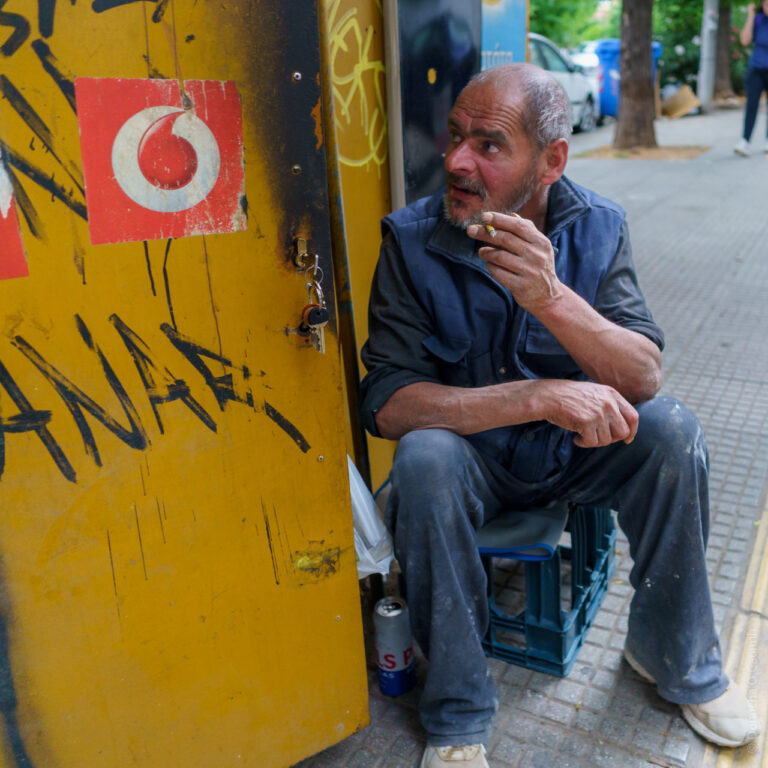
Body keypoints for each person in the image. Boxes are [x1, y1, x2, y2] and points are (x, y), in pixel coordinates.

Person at [359, 63, 762, 768]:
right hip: (471, 465)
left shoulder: (599, 228)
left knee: (672, 429)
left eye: (489, 145)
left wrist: (551, 298)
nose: (456, 161)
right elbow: (389, 406)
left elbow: (643, 376)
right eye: (455, 137)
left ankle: (676, 659)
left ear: (551, 162)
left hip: (574, 455)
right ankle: (456, 713)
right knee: (422, 458)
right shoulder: (411, 240)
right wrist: (538, 394)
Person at [735, 0, 768, 156]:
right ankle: (745, 141)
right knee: (751, 106)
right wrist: (750, 15)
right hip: (756, 68)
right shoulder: (758, 20)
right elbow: (745, 40)